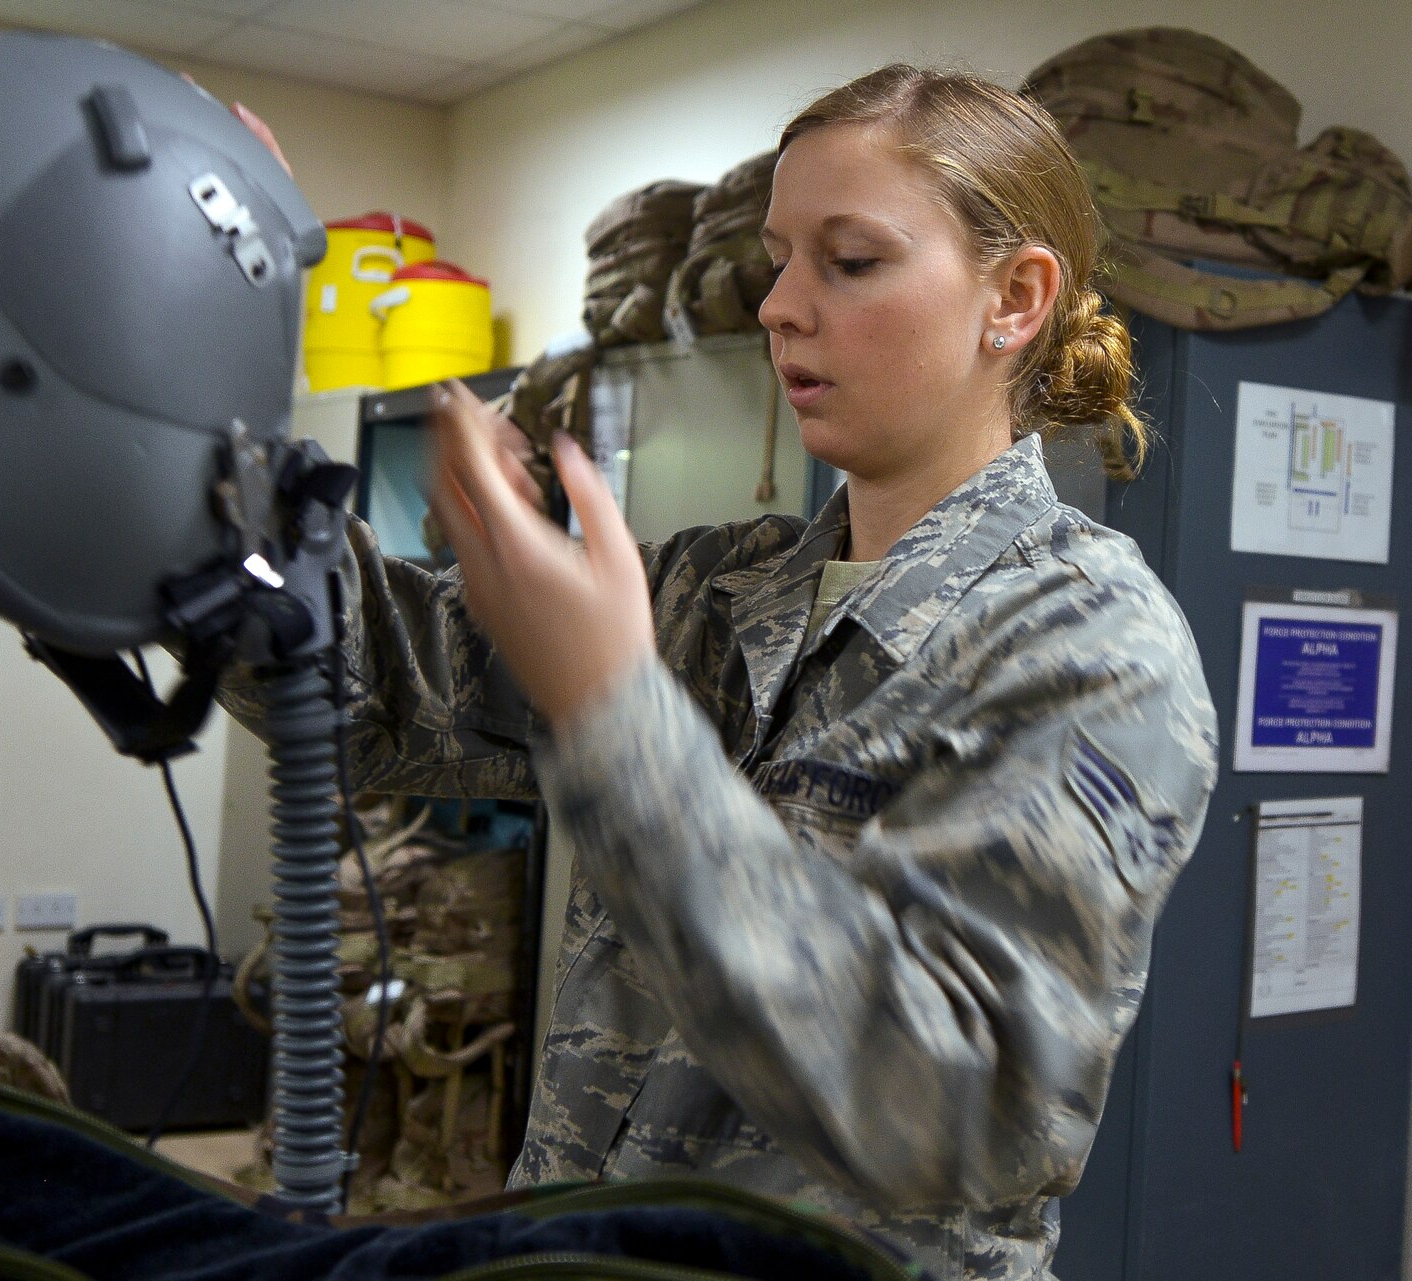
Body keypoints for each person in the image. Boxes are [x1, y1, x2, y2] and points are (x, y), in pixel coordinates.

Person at [225, 64, 1218, 1281]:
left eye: (848, 262)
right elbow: (371, 679)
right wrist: (210, 367)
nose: (779, 307)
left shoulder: (1089, 642)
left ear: (1011, 298)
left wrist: (612, 717)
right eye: (780, 258)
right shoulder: (713, 590)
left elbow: (947, 1103)